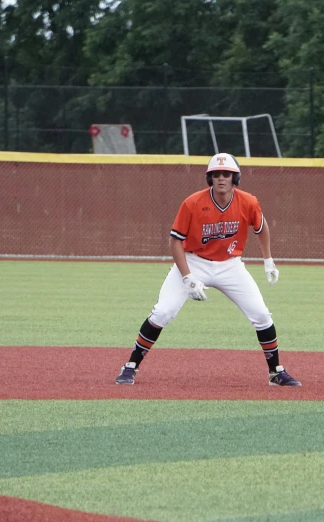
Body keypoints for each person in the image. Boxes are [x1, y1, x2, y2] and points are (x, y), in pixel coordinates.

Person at [115, 153, 301, 387]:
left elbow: (261, 228)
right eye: (216, 174)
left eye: (227, 174)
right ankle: (130, 366)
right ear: (209, 178)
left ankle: (276, 371)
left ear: (236, 178)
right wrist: (187, 277)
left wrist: (268, 259)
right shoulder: (192, 203)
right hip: (194, 261)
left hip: (230, 265)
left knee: (262, 315)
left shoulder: (248, 201)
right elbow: (175, 242)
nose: (221, 178)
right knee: (163, 312)